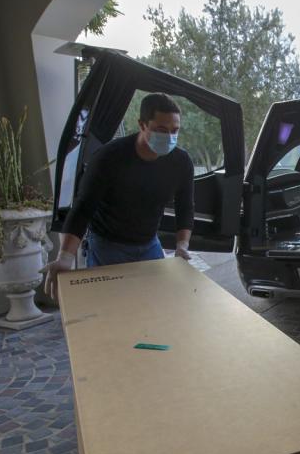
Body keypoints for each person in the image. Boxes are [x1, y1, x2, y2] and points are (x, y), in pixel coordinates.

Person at [42, 93, 195, 300]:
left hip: (149, 243)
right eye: (161, 130)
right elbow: (83, 207)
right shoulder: (109, 157)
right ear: (142, 125)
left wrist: (182, 246)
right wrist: (65, 257)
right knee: (112, 307)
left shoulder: (181, 162)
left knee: (158, 302)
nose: (169, 137)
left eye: (175, 131)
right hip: (108, 246)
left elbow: (185, 206)